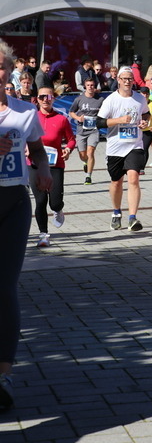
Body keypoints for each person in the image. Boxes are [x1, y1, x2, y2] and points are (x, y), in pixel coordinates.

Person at [0, 39, 52, 410]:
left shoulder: (24, 111)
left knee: (4, 289)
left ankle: (3, 375)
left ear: (10, 71)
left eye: (1, 66)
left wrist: (44, 170)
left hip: (13, 204)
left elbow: (36, 150)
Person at [96, 66, 150, 232]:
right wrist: (118, 120)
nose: (127, 82)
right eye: (124, 79)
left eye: (130, 79)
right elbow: (99, 122)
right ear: (118, 80)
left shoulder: (140, 98)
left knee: (133, 179)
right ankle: (116, 212)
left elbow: (146, 113)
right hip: (115, 147)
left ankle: (132, 218)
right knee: (116, 182)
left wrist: (145, 121)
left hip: (135, 145)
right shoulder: (111, 100)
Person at [29, 86, 76, 248]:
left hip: (55, 164)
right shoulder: (31, 118)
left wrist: (68, 149)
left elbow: (71, 139)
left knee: (54, 202)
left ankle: (58, 209)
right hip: (33, 163)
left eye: (48, 97)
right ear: (37, 99)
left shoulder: (61, 119)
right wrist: (25, 147)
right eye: (41, 97)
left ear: (53, 99)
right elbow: (21, 137)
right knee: (40, 200)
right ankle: (43, 235)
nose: (45, 100)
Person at [69, 78, 104, 184]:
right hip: (81, 130)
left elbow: (106, 112)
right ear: (85, 86)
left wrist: (100, 119)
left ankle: (88, 176)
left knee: (90, 152)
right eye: (88, 85)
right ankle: (85, 162)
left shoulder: (100, 99)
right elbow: (71, 112)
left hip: (94, 130)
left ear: (95, 86)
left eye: (92, 85)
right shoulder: (79, 99)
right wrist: (78, 118)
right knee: (83, 155)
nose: (90, 87)